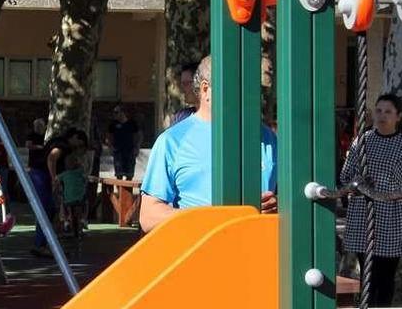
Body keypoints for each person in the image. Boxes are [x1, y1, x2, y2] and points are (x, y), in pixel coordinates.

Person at [139, 56, 277, 233]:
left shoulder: (267, 137)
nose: (243, 95)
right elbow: (149, 216)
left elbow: (293, 200)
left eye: (248, 88)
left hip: (258, 253)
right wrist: (208, 218)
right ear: (205, 90)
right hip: (199, 255)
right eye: (234, 88)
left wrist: (278, 206)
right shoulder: (172, 141)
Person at [340, 94, 402, 307]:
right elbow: (345, 176)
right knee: (367, 273)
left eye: (388, 111)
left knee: (385, 275)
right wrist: (358, 183)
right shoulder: (362, 141)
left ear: (398, 117)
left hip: (392, 216)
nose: (382, 115)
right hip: (364, 214)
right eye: (379, 110)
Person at [28, 128, 88, 258]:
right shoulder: (64, 145)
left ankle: (43, 242)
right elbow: (51, 158)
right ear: (75, 137)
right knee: (46, 209)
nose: (78, 147)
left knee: (49, 209)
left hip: (38, 173)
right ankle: (40, 244)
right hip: (41, 175)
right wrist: (53, 178)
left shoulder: (58, 141)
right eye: (80, 143)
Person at [106, 105, 140, 180]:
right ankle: (120, 191)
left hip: (129, 152)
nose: (114, 115)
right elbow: (109, 136)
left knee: (129, 174)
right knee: (119, 174)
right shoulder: (113, 125)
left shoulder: (132, 124)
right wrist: (110, 147)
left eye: (116, 112)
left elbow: (137, 136)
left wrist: (137, 148)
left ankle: (127, 191)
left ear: (122, 113)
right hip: (118, 152)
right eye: (114, 113)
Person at [57, 152, 87, 233]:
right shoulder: (80, 172)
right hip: (80, 199)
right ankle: (84, 218)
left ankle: (66, 220)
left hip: (68, 200)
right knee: (86, 203)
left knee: (62, 204)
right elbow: (85, 177)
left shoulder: (64, 174)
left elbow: (56, 180)